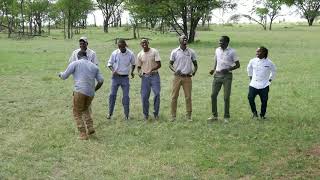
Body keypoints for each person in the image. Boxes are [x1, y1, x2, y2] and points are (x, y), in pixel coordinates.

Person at [58, 51, 104, 140]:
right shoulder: (94, 66)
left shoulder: (75, 63)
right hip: (90, 93)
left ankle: (83, 134)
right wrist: (94, 89)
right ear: (86, 57)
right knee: (85, 109)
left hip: (79, 91)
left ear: (78, 56)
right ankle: (90, 127)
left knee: (77, 112)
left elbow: (64, 76)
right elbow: (101, 80)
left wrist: (60, 74)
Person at [208, 36, 240, 122]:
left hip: (227, 76)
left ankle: (226, 117)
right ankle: (214, 116)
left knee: (226, 97)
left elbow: (238, 65)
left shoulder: (232, 52)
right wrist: (213, 69)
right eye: (219, 41)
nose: (219, 43)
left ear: (227, 42)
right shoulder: (217, 50)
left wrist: (228, 69)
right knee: (213, 95)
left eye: (221, 42)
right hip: (217, 75)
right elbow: (216, 60)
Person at [169, 35, 198, 121]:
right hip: (177, 77)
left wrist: (194, 71)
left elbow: (196, 64)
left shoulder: (191, 52)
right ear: (179, 41)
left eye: (186, 38)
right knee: (174, 96)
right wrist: (175, 70)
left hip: (187, 77)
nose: (185, 39)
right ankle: (173, 116)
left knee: (188, 97)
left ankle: (188, 116)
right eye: (183, 38)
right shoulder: (175, 52)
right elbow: (170, 64)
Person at [106, 39, 135, 120]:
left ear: (125, 45)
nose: (121, 48)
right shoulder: (114, 53)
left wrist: (132, 72)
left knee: (126, 97)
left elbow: (133, 64)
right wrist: (113, 70)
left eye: (122, 46)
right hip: (115, 78)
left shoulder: (130, 54)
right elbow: (109, 64)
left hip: (125, 78)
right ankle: (110, 113)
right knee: (112, 95)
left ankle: (126, 115)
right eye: (119, 47)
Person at [247, 46, 276, 119]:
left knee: (264, 101)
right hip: (253, 84)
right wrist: (250, 76)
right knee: (250, 98)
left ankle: (262, 115)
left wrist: (270, 79)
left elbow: (274, 70)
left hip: (264, 85)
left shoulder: (269, 62)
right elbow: (249, 68)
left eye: (259, 51)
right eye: (256, 51)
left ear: (264, 53)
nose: (257, 53)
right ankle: (254, 113)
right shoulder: (252, 60)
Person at [136, 39, 161, 121]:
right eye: (142, 43)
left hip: (154, 76)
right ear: (141, 44)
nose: (144, 44)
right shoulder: (140, 54)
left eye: (145, 42)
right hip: (145, 77)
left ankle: (156, 113)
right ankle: (145, 115)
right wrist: (139, 72)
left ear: (148, 43)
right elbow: (139, 67)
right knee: (144, 97)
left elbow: (159, 64)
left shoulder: (154, 51)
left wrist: (152, 69)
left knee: (157, 94)